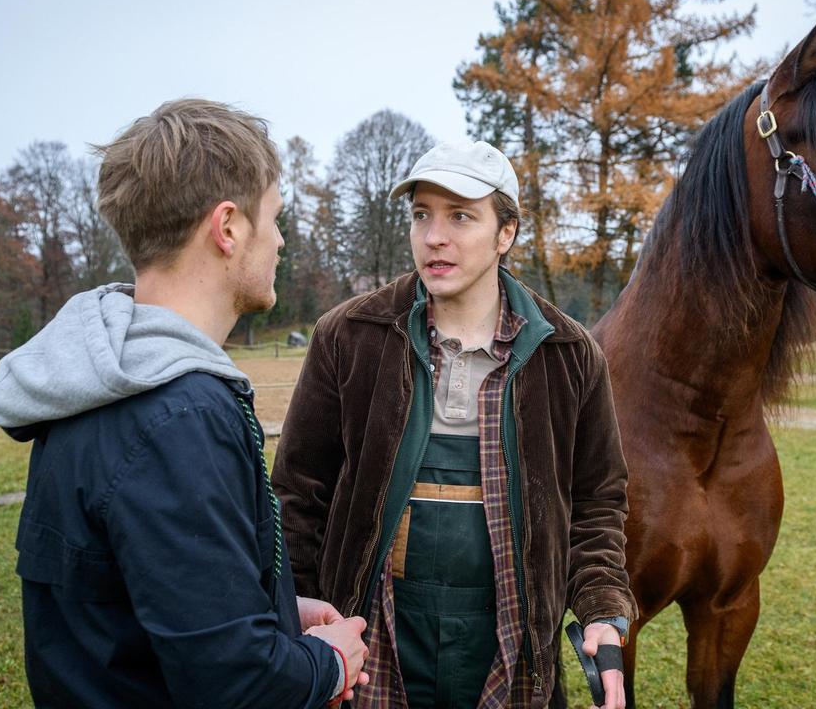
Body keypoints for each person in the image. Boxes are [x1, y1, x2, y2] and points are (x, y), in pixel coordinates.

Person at [0, 99, 368, 708]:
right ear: (228, 228)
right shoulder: (177, 414)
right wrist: (326, 663)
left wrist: (270, 607)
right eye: (273, 217)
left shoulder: (102, 377)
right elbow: (236, 686)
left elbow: (133, 592)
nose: (280, 239)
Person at [272, 141, 635, 708]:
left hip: (511, 641)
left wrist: (601, 610)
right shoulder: (349, 337)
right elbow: (298, 492)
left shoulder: (568, 355)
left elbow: (596, 501)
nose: (433, 236)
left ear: (505, 233)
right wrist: (293, 609)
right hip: (373, 645)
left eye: (460, 216)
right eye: (422, 215)